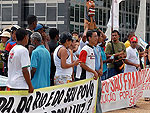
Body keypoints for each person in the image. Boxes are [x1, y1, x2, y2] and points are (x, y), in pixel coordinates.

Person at [6, 28, 34, 93]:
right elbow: (25, 70)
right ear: (25, 37)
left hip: (12, 84)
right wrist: (30, 86)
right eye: (27, 37)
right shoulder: (23, 50)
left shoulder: (13, 49)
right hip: (20, 85)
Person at [93, 30, 103, 113]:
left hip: (98, 74)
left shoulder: (98, 48)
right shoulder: (89, 48)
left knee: (99, 93)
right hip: (93, 74)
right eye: (95, 36)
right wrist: (96, 71)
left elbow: (100, 59)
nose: (98, 38)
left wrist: (101, 69)